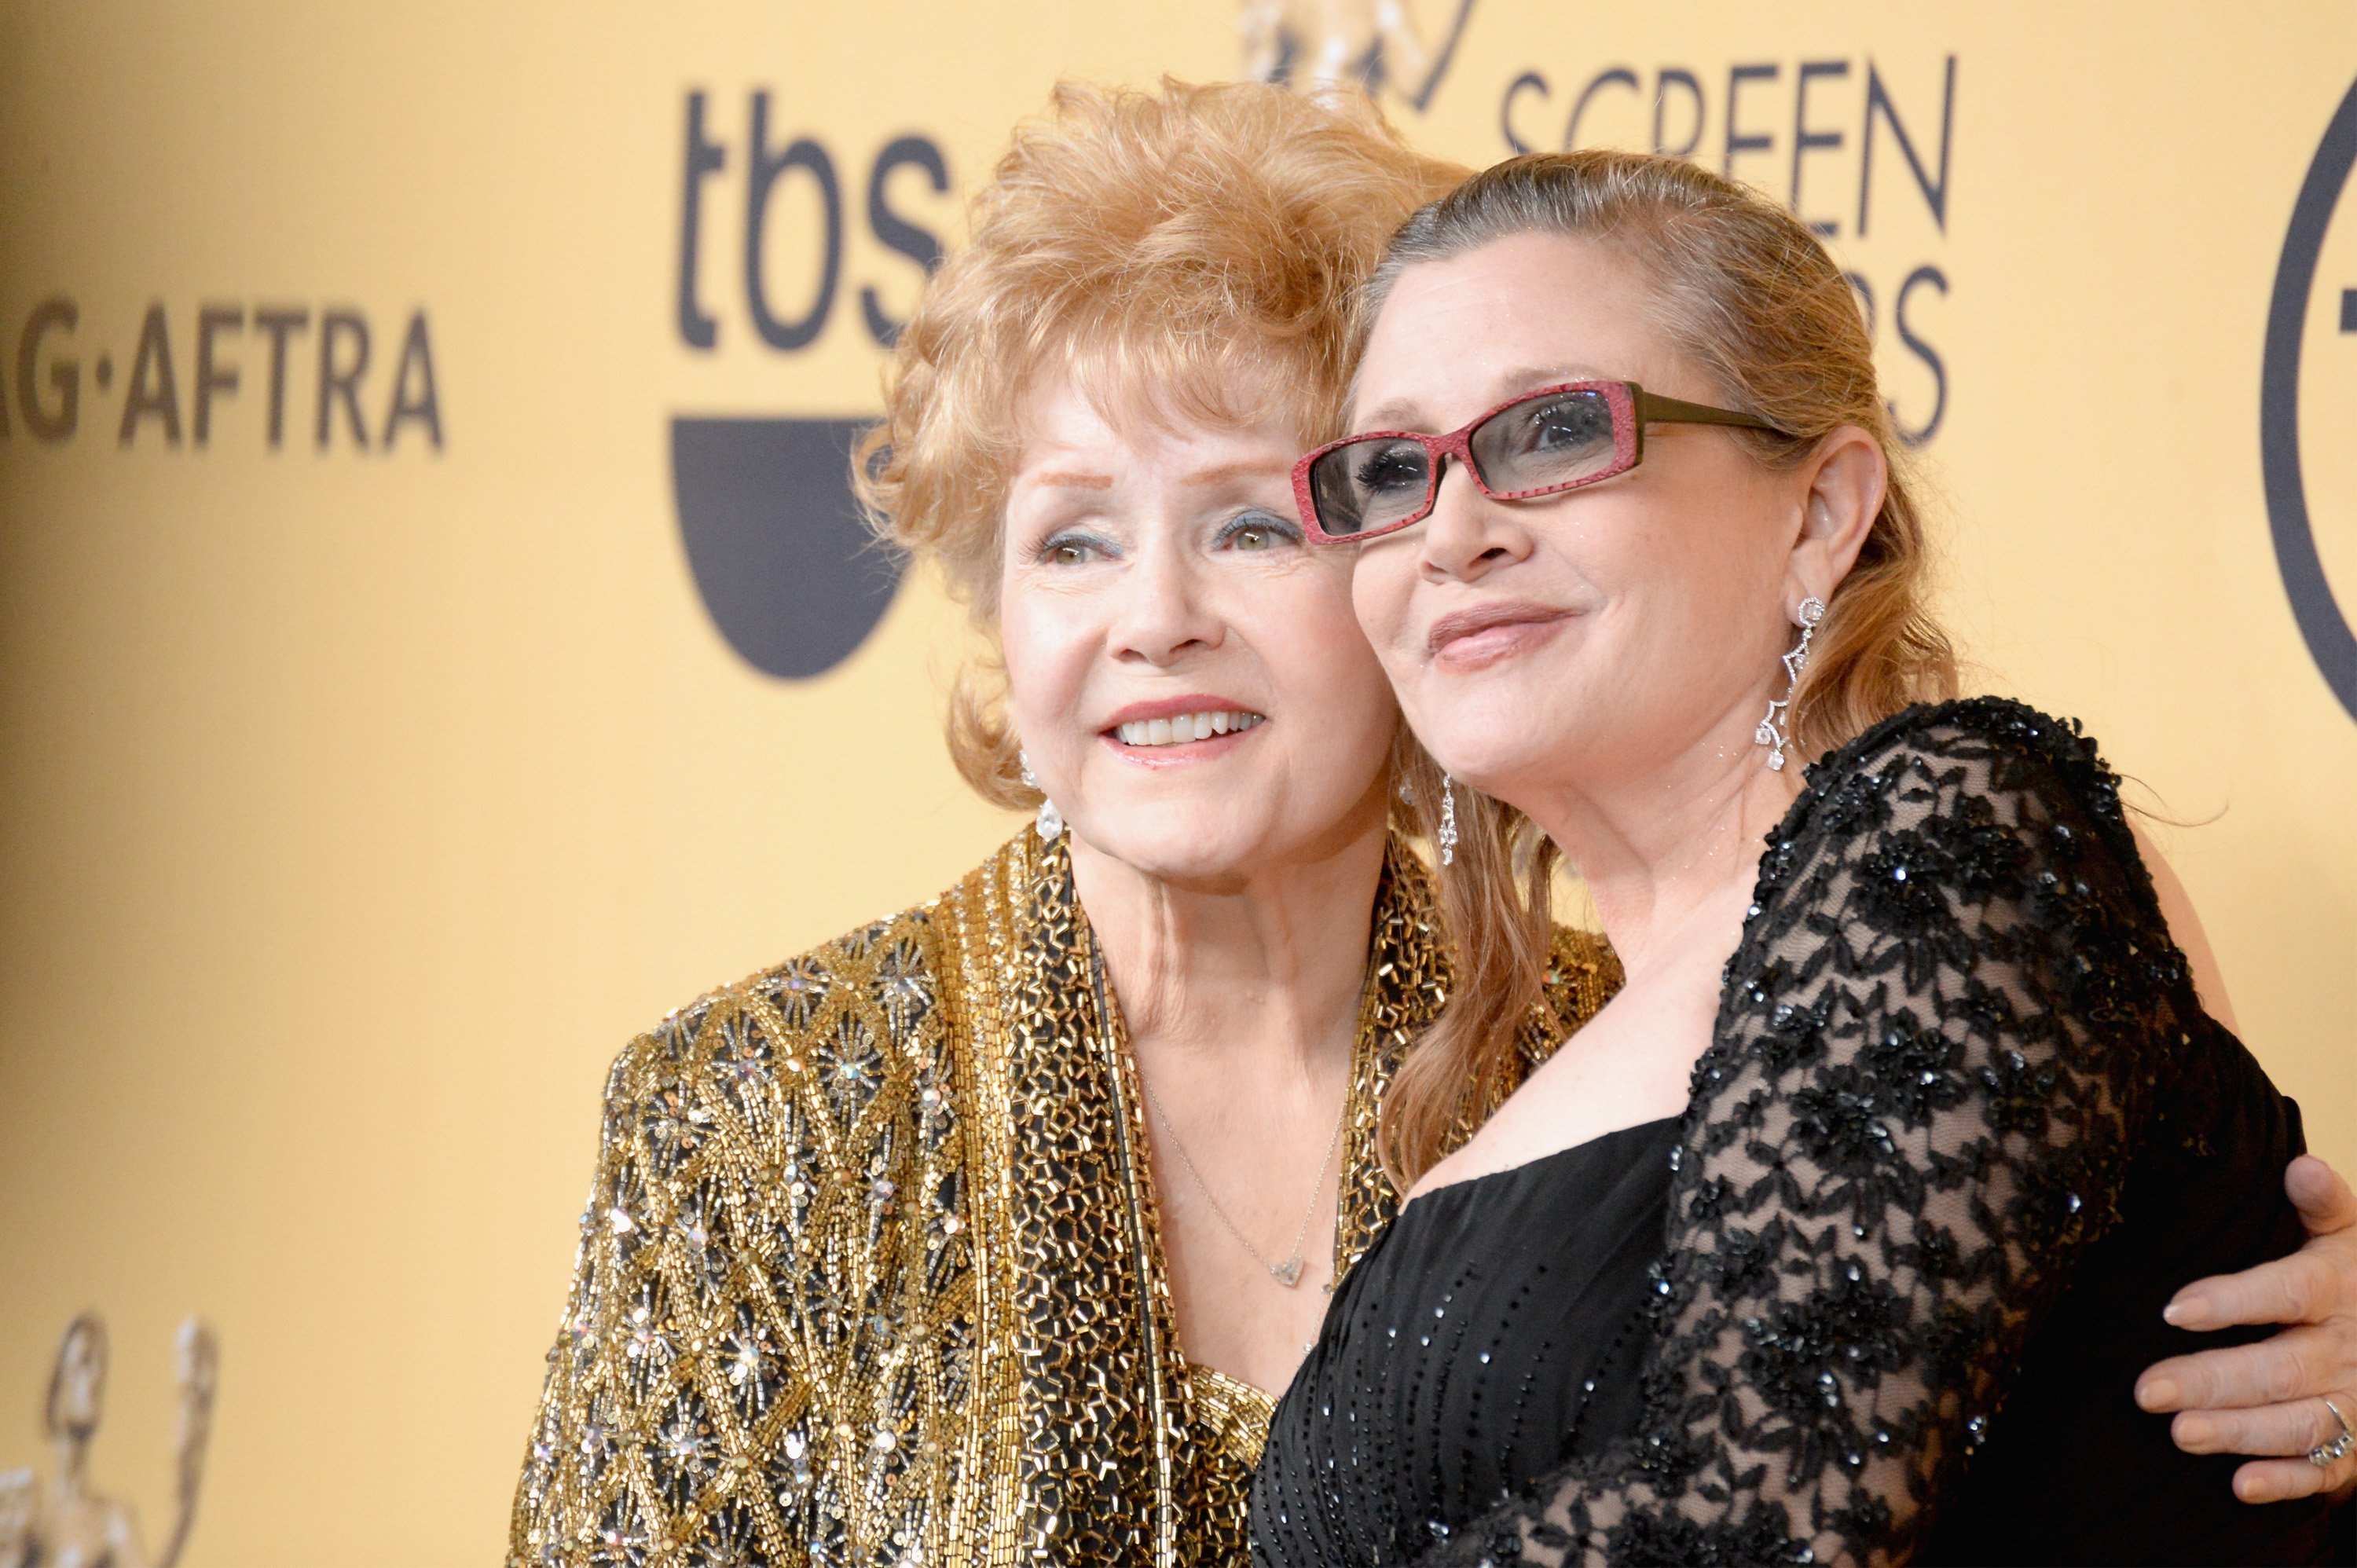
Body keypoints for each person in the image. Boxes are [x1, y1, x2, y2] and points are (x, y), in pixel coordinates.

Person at [509, 87, 2356, 1567]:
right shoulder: (772, 1106)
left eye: (1256, 521)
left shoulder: (1698, 986)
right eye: (1071, 536)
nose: (1156, 613)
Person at [1252, 148, 2357, 1565]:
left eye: (1551, 435)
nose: (1457, 530)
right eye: (1393, 472)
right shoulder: (1556, 1036)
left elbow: (1750, 1521)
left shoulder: (1954, 837)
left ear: (1823, 510)